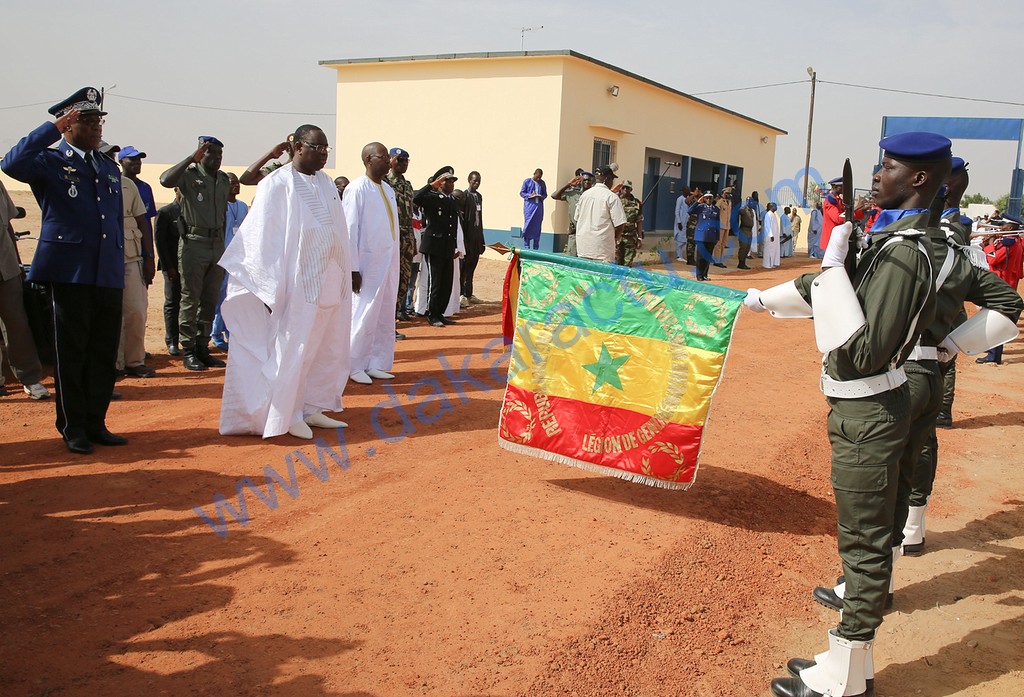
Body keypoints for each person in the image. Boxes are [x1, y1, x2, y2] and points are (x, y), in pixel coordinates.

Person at [748, 132, 952, 697]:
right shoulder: (896, 243)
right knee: (863, 538)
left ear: (918, 180)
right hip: (864, 410)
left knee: (863, 544)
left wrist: (835, 271)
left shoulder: (907, 252)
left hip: (868, 411)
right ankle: (849, 664)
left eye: (888, 167)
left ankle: (842, 676)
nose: (876, 174)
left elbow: (864, 351)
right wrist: (764, 300)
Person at [2, 87, 127, 454]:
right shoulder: (50, 161)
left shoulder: (106, 165)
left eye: (99, 121)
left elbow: (113, 222)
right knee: (71, 352)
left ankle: (96, 421)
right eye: (88, 121)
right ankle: (73, 427)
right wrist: (50, 128)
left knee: (102, 351)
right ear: (69, 125)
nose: (97, 128)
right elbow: (11, 164)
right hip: (69, 271)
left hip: (106, 270)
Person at [218, 125, 351, 439]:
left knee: (322, 346)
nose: (323, 154)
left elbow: (338, 230)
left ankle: (311, 406)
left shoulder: (327, 182)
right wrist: (265, 286)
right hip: (295, 285)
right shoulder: (277, 183)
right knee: (293, 347)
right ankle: (286, 413)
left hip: (328, 281)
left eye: (326, 149)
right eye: (317, 148)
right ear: (298, 147)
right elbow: (263, 236)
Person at [159, 136, 229, 371]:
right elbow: (165, 180)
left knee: (210, 299)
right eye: (212, 154)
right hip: (194, 243)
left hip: (216, 244)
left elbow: (224, 216)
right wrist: (191, 158)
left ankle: (203, 347)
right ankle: (188, 349)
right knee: (191, 298)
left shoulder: (222, 179)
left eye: (220, 154)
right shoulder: (189, 175)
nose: (217, 159)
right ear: (201, 154)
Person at [344, 142, 400, 385]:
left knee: (384, 314)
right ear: (368, 159)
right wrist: (353, 267)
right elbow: (349, 229)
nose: (388, 161)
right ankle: (353, 364)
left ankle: (376, 362)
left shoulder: (388, 190)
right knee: (362, 313)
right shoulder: (357, 188)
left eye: (388, 157)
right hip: (367, 263)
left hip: (388, 261)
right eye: (383, 156)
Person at [0, 180, 49, 399]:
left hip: (6, 268)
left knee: (17, 324)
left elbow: (8, 225)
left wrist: (18, 264)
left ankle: (30, 378)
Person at [115, 159, 156, 378]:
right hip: (102, 258)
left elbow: (143, 222)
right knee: (110, 315)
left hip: (131, 256)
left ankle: (134, 361)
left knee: (136, 310)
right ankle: (114, 364)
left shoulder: (127, 185)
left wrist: (149, 257)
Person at [413, 166, 461, 327]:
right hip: (434, 246)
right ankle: (432, 314)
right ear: (440, 182)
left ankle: (440, 313)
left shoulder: (452, 200)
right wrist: (430, 186)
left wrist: (454, 246)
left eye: (453, 181)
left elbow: (452, 226)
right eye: (448, 181)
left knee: (446, 282)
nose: (451, 184)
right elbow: (416, 198)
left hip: (447, 246)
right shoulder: (431, 197)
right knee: (435, 282)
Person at [976, 216, 1024, 365]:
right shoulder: (1013, 241)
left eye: (1002, 225)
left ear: (1009, 227)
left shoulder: (1008, 243)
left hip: (1000, 283)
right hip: (1006, 282)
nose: (1000, 228)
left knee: (994, 318)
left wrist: (990, 244)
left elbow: (992, 259)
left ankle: (993, 354)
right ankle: (994, 353)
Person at [211, 173, 248, 349]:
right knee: (221, 299)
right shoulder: (220, 206)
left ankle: (231, 333)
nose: (236, 185)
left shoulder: (242, 206)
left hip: (239, 260)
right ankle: (216, 335)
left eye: (237, 182)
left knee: (233, 298)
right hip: (222, 258)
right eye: (232, 182)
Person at [385, 147, 416, 321]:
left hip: (407, 240)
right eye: (400, 159)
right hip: (392, 239)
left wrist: (413, 242)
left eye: (406, 160)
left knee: (403, 282)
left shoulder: (407, 185)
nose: (404, 163)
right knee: (390, 282)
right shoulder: (384, 183)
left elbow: (410, 213)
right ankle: (387, 322)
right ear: (390, 160)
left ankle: (393, 319)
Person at [573, 165, 626, 264]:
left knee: (585, 278)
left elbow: (577, 218)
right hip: (602, 250)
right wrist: (614, 238)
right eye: (612, 180)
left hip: (583, 248)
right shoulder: (611, 197)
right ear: (607, 179)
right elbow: (620, 225)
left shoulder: (584, 195)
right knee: (602, 278)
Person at [154, 189, 184, 355]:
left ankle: (188, 340)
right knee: (173, 303)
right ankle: (172, 340)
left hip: (189, 265)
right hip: (172, 265)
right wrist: (168, 267)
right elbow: (160, 242)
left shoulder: (193, 211)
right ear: (176, 190)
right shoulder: (165, 212)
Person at [459, 171, 485, 304]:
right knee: (464, 265)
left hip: (476, 235)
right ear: (469, 180)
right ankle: (461, 294)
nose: (476, 183)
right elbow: (463, 219)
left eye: (479, 181)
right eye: (474, 181)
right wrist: (463, 239)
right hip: (467, 236)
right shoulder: (464, 196)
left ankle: (469, 293)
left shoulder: (479, 196)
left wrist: (482, 239)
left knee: (473, 264)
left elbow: (480, 218)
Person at [552, 169, 591, 256]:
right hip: (574, 233)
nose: (587, 182)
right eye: (584, 180)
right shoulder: (573, 194)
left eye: (589, 180)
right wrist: (569, 184)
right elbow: (554, 195)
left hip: (588, 235)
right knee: (571, 261)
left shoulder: (594, 196)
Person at [687, 192, 719, 281]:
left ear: (712, 199)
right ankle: (699, 275)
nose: (708, 200)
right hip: (701, 235)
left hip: (711, 235)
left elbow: (717, 224)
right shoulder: (700, 208)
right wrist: (697, 202)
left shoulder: (716, 209)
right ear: (704, 199)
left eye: (710, 198)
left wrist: (717, 237)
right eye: (707, 198)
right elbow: (689, 211)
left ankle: (705, 274)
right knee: (700, 257)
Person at [616, 180, 643, 266]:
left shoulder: (637, 203)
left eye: (627, 188)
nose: (625, 189)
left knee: (627, 264)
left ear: (631, 189)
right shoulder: (616, 200)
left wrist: (639, 238)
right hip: (617, 237)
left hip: (630, 237)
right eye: (623, 187)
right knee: (616, 263)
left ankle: (625, 279)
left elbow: (639, 222)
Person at [519, 168, 547, 250]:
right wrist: (530, 195)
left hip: (539, 207)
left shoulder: (542, 183)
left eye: (540, 177)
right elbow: (522, 193)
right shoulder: (527, 181)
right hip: (530, 207)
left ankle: (536, 247)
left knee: (537, 225)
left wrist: (540, 196)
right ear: (534, 174)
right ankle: (526, 246)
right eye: (537, 177)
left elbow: (545, 194)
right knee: (528, 224)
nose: (538, 179)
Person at [737, 194, 759, 269]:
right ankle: (740, 262)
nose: (751, 203)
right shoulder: (743, 210)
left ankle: (744, 262)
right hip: (744, 230)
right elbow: (736, 217)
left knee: (747, 247)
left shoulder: (752, 211)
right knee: (743, 247)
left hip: (750, 230)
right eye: (749, 201)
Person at [713, 188, 732, 267]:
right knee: (718, 243)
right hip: (720, 225)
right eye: (726, 193)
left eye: (728, 193)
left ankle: (720, 259)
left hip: (727, 225)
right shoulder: (720, 201)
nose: (727, 195)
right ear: (723, 193)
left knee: (724, 243)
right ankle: (716, 260)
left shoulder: (729, 202)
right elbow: (715, 211)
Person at [673, 186, 691, 262]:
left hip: (686, 221)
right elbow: (677, 211)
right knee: (680, 239)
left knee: (684, 239)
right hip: (681, 221)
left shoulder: (688, 199)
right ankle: (678, 256)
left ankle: (680, 255)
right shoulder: (680, 199)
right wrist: (679, 222)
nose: (688, 191)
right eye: (687, 190)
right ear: (683, 191)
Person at [761, 202, 781, 269]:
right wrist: (771, 235)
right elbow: (767, 226)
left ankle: (772, 263)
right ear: (770, 207)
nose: (775, 207)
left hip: (774, 236)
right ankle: (766, 264)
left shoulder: (773, 214)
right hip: (770, 236)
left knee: (773, 250)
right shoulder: (768, 214)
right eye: (773, 206)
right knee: (768, 250)